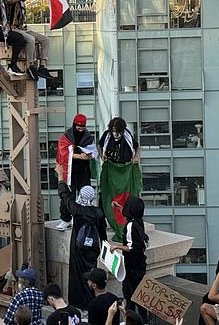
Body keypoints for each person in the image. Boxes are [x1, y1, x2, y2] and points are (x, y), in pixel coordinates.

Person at [55, 165, 106, 309]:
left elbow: (64, 195)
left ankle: (78, 304)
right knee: (92, 275)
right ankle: (92, 303)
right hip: (93, 251)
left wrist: (60, 176)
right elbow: (102, 234)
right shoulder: (98, 213)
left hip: (78, 250)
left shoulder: (77, 210)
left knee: (77, 277)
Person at [98, 117, 142, 241]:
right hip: (112, 170)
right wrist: (102, 156)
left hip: (126, 170)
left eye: (117, 130)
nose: (115, 133)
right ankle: (111, 221)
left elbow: (137, 147)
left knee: (125, 197)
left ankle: (124, 221)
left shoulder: (127, 135)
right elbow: (99, 146)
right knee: (110, 196)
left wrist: (136, 158)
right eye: (113, 130)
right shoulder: (107, 136)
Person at [4, 0, 54, 80]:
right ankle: (31, 65)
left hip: (22, 28)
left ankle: (42, 66)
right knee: (30, 39)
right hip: (13, 29)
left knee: (45, 40)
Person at [55, 114, 96, 231]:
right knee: (68, 195)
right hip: (69, 171)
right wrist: (79, 156)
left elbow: (93, 151)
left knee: (85, 194)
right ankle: (65, 219)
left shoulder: (88, 136)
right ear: (74, 126)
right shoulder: (66, 137)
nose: (81, 130)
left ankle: (83, 218)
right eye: (78, 129)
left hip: (83, 171)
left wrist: (89, 156)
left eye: (82, 128)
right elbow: (63, 153)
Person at [110, 196, 148, 321]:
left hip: (132, 268)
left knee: (130, 295)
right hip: (139, 265)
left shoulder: (131, 225)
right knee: (140, 296)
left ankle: (131, 320)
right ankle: (143, 320)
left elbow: (131, 247)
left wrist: (116, 247)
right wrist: (119, 208)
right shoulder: (138, 221)